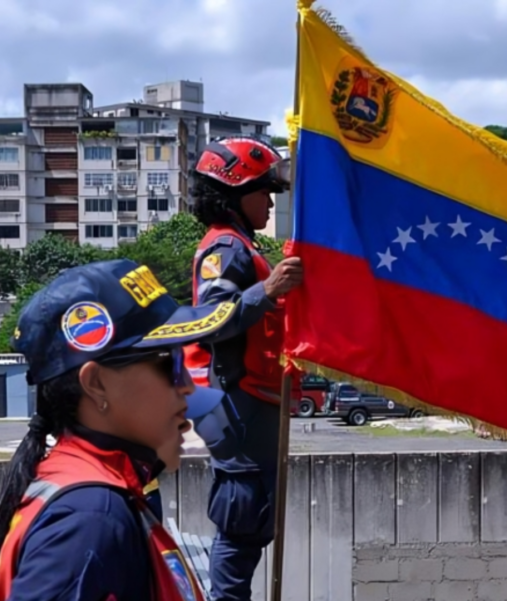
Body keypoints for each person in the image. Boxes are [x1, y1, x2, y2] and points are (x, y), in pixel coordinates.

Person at [0, 258, 248, 601]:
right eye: (170, 362)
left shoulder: (93, 491)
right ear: (96, 384)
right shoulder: (90, 520)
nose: (186, 385)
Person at [182, 136, 305, 601]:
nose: (271, 203)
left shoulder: (243, 247)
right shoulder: (226, 250)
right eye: (262, 191)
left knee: (252, 519)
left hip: (253, 402)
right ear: (233, 194)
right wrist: (267, 291)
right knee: (242, 514)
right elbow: (210, 323)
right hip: (235, 401)